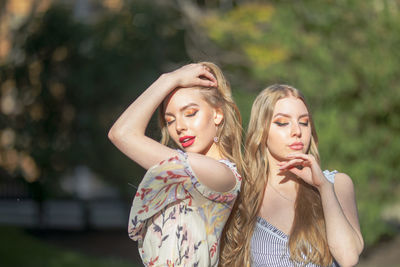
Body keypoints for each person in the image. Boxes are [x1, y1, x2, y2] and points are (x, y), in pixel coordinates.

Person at [108, 62, 243, 267]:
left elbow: (122, 133)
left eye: (190, 113)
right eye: (170, 120)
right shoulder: (179, 175)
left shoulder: (223, 174)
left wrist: (168, 79)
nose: (179, 127)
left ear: (217, 114)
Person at [220, 84, 363, 267]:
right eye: (282, 122)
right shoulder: (243, 192)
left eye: (304, 122)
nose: (297, 131)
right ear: (261, 130)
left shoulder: (337, 184)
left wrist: (324, 187)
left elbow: (348, 257)